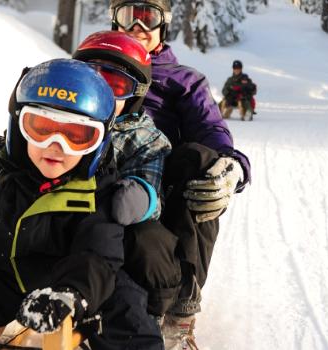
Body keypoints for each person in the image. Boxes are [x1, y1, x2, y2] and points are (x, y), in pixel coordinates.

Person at [0, 58, 164, 349]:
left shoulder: (100, 189)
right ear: (18, 124)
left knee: (129, 316)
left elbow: (97, 256)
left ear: (98, 142)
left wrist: (71, 293)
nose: (56, 146)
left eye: (77, 136)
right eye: (42, 127)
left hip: (66, 283)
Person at [108, 1, 251, 348]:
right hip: (93, 163)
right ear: (115, 21)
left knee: (201, 159)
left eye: (148, 17)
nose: (139, 27)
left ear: (164, 25)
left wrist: (233, 164)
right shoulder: (94, 64)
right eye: (130, 16)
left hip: (160, 186)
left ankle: (180, 310)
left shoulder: (182, 80)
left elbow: (213, 132)